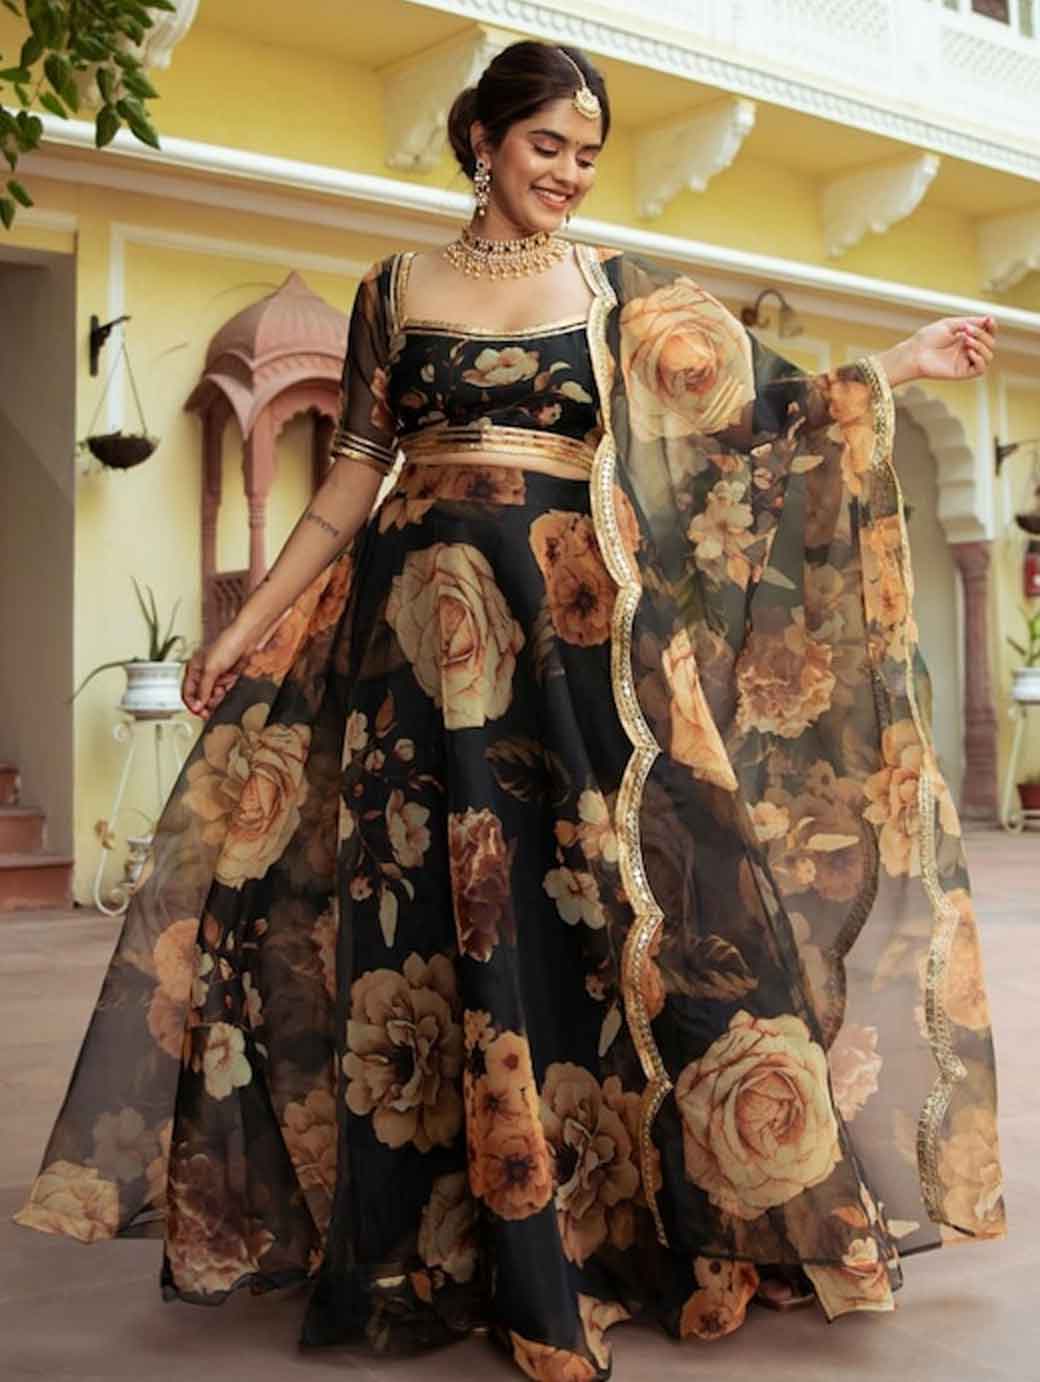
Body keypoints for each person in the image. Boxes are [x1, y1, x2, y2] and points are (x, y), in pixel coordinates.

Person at [16, 39, 1006, 1382]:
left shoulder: (613, 291)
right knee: (414, 926)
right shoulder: (392, 290)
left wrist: (900, 362)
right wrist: (243, 630)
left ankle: (609, 1229)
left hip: (568, 654)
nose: (571, 173)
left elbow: (753, 410)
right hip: (412, 663)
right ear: (481, 140)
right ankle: (443, 1243)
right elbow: (349, 479)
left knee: (597, 913)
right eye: (549, 145)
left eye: (589, 154)